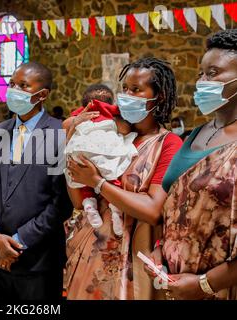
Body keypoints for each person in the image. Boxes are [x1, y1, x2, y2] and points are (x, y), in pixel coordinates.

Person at [65, 57, 183, 300]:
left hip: (132, 255)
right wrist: (72, 145)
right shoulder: (108, 133)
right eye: (125, 89)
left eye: (137, 90)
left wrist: (98, 182)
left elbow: (153, 210)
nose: (127, 95)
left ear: (158, 97)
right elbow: (78, 201)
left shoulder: (168, 144)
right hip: (93, 245)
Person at [146, 29, 237, 300]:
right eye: (201, 74)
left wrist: (203, 285)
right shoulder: (195, 134)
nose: (201, 81)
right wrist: (159, 249)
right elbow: (173, 207)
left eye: (213, 73)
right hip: (174, 285)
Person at [0, 62, 72, 300]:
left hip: (37, 258)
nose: (14, 90)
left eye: (23, 85)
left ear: (42, 95)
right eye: (12, 84)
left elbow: (60, 204)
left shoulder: (59, 136)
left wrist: (18, 242)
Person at [64, 99, 137, 238]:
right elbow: (76, 203)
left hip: (81, 153)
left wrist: (73, 126)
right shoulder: (113, 120)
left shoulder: (80, 119)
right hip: (93, 234)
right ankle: (115, 210)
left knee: (84, 181)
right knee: (111, 174)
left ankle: (91, 204)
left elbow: (65, 124)